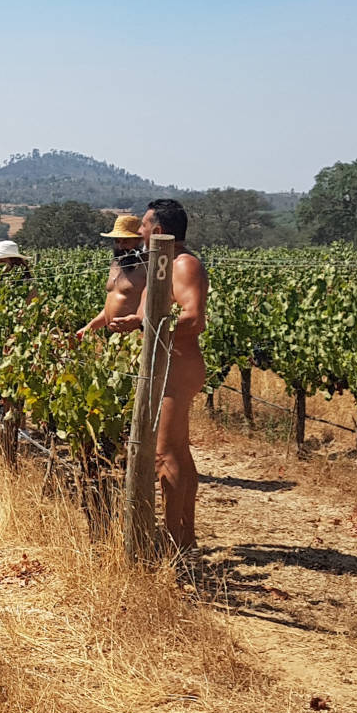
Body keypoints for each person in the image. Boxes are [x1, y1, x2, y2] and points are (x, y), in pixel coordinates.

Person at [110, 199, 208, 552]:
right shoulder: (165, 265)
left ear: (160, 231)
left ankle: (171, 541)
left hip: (176, 367)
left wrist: (145, 327)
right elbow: (156, 314)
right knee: (178, 451)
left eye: (144, 226)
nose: (139, 232)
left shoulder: (184, 265)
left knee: (164, 455)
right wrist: (136, 321)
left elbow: (194, 318)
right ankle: (184, 536)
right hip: (169, 364)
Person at [76, 214, 148, 336]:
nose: (120, 246)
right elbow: (113, 303)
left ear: (139, 240)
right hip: (115, 338)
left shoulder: (147, 266)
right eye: (117, 241)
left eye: (126, 241)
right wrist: (88, 328)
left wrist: (141, 323)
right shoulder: (116, 264)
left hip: (136, 337)